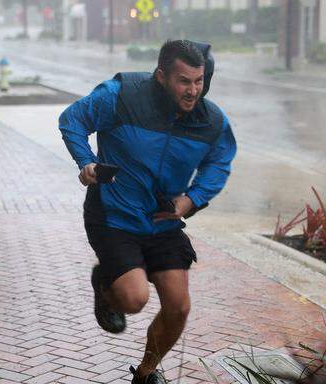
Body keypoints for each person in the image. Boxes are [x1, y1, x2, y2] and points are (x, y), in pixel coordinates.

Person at [59, 40, 237, 384]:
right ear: (161, 76)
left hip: (162, 222)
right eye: (184, 81)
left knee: (179, 306)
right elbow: (73, 119)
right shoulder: (121, 96)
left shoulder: (211, 121)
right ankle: (107, 287)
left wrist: (191, 199)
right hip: (114, 216)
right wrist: (86, 162)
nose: (193, 91)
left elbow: (220, 160)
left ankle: (145, 373)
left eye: (199, 81)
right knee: (134, 298)